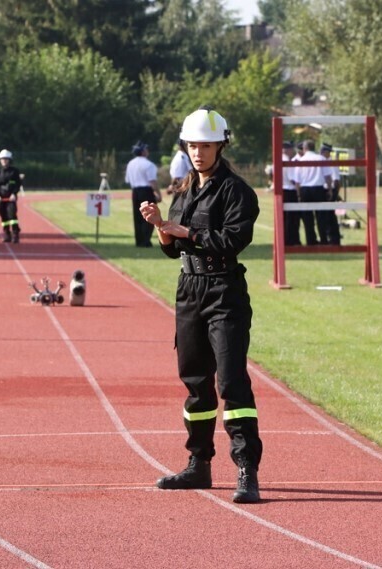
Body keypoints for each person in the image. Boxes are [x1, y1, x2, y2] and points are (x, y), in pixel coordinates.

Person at [139, 108, 262, 504]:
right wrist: (161, 227)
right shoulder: (185, 190)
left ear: (221, 146)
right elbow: (172, 249)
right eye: (192, 145)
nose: (198, 152)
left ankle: (246, 469)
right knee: (195, 382)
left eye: (205, 146)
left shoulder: (238, 192)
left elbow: (232, 240)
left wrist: (186, 232)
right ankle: (199, 463)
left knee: (231, 381)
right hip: (189, 290)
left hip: (224, 290)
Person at [125, 141, 161, 247]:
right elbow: (152, 181)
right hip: (146, 191)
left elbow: (128, 180)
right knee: (149, 215)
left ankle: (139, 240)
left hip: (135, 191)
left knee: (137, 217)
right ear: (143, 151)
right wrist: (158, 194)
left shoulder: (130, 164)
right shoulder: (149, 164)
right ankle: (146, 240)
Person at [0, 149, 22, 243]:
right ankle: (7, 234)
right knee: (3, 216)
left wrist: (14, 194)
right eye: (2, 159)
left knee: (12, 215)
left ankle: (15, 234)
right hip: (1, 199)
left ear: (9, 160)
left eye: (5, 159)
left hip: (11, 198)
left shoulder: (14, 172)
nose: (4, 161)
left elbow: (18, 184)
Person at [318, 142, 342, 246]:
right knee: (326, 215)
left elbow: (336, 181)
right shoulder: (323, 161)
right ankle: (330, 237)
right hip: (325, 190)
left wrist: (334, 194)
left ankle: (334, 238)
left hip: (329, 190)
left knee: (329, 215)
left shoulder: (330, 163)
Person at [281, 141, 301, 246]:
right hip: (290, 191)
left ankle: (285, 239)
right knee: (293, 218)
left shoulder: (278, 159)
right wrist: (299, 191)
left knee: (285, 218)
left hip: (283, 190)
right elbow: (292, 179)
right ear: (288, 149)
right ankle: (292, 240)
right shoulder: (287, 161)